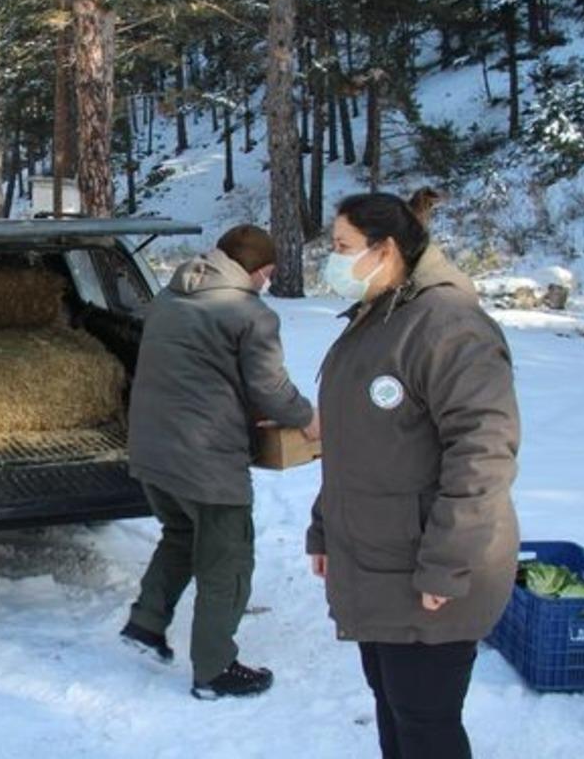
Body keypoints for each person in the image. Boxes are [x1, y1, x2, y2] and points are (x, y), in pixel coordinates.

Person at [306, 190, 520, 759]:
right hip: (379, 563)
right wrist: (324, 527)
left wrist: (447, 565)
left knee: (425, 723)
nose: (334, 260)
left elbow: (484, 453)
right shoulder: (380, 315)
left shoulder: (448, 327)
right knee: (394, 708)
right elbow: (356, 445)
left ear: (387, 248)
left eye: (343, 247)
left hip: (430, 568)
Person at [124, 225, 320, 699]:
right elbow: (270, 388)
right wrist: (309, 419)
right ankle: (214, 670)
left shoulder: (171, 297)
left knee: (182, 534)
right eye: (268, 275)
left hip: (152, 448)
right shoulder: (249, 313)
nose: (268, 284)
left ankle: (146, 624)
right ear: (259, 270)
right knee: (227, 560)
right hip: (205, 459)